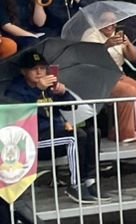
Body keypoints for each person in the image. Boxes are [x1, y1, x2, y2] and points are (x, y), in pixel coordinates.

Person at [5, 50, 100, 201]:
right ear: (24, 71)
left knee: (93, 132)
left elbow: (71, 107)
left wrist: (63, 93)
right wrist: (37, 90)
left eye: (42, 68)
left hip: (55, 134)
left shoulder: (49, 87)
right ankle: (75, 186)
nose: (39, 72)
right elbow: (18, 113)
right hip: (33, 141)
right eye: (34, 69)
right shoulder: (16, 90)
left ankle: (89, 182)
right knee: (74, 137)